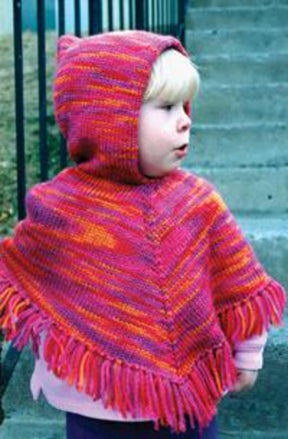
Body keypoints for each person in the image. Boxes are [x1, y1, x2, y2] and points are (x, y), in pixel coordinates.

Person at [0, 30, 286, 439]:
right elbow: (26, 282)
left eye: (185, 105)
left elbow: (237, 285)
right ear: (110, 120)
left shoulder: (196, 203)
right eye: (167, 107)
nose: (186, 118)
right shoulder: (60, 208)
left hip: (189, 405)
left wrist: (249, 353)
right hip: (95, 403)